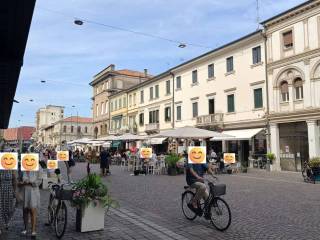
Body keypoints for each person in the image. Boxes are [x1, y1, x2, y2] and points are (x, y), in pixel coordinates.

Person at [19, 169, 42, 237]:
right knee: (25, 210)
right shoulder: (22, 168)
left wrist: (30, 183)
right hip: (24, 191)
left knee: (33, 210)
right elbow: (19, 179)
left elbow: (40, 180)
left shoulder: (38, 167)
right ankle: (26, 228)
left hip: (33, 191)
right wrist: (21, 183)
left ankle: (33, 230)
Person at [0, 170, 17, 235]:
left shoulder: (12, 168)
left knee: (9, 209)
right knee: (1, 208)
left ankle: (7, 221)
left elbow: (15, 180)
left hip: (9, 190)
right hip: (1, 189)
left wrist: (15, 191)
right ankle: (0, 226)